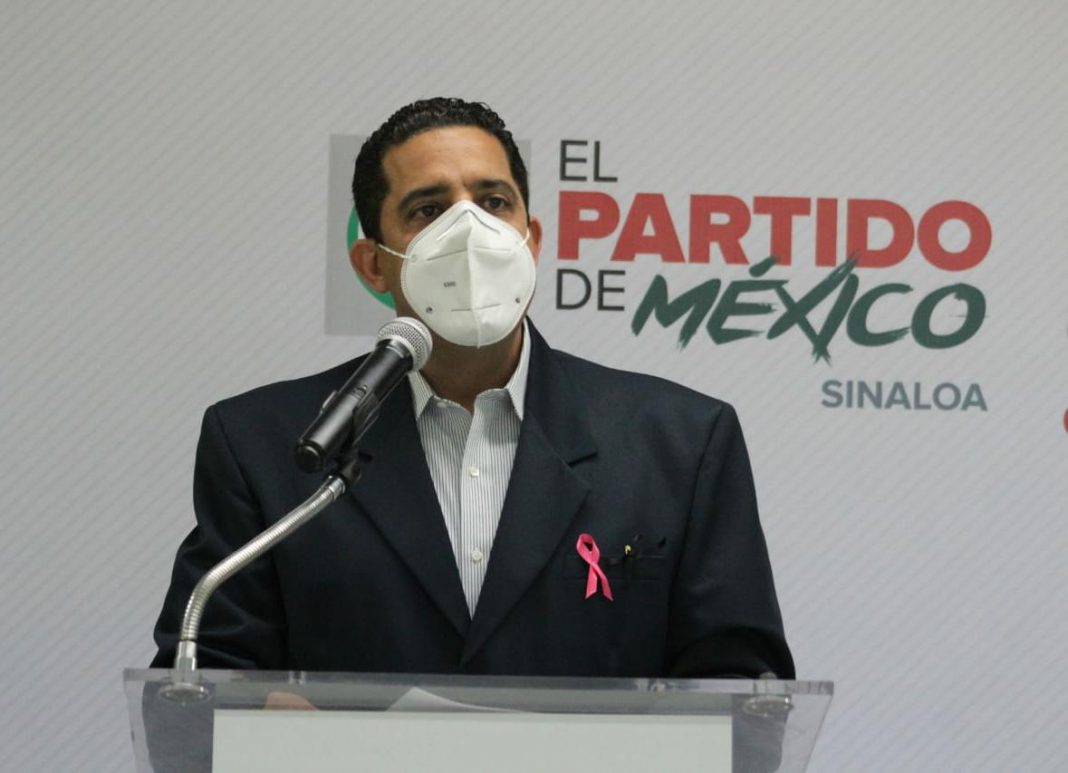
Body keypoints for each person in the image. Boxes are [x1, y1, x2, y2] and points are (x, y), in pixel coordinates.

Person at [152, 98, 794, 679]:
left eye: (493, 203)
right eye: (428, 210)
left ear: (530, 240)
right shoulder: (269, 444)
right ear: (374, 264)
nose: (468, 232)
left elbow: (742, 691)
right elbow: (203, 680)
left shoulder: (679, 442)